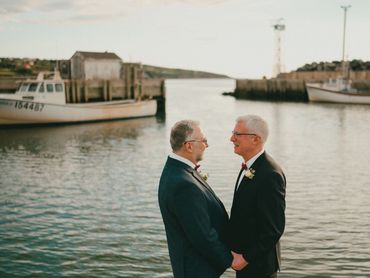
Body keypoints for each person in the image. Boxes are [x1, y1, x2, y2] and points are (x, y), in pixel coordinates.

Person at [158, 120, 239, 277]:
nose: (206, 145)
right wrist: (230, 260)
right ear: (188, 146)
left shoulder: (177, 170)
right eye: (203, 141)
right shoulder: (183, 184)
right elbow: (202, 235)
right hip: (196, 270)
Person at [227, 115, 286, 277]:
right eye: (233, 133)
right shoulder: (249, 167)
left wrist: (245, 258)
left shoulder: (270, 174)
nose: (232, 138)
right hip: (245, 263)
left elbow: (274, 229)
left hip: (259, 267)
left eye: (237, 134)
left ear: (256, 139)